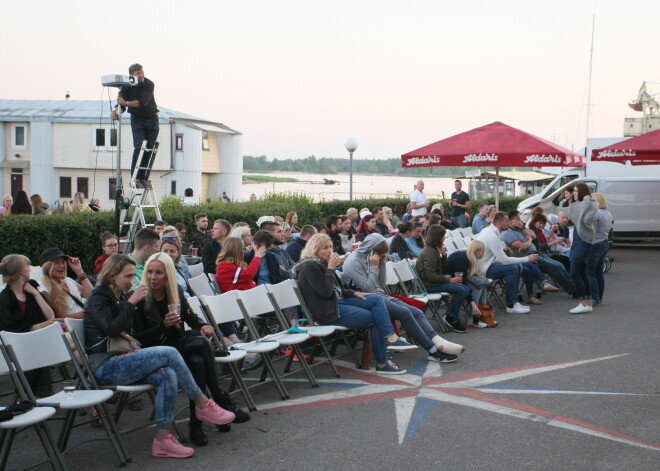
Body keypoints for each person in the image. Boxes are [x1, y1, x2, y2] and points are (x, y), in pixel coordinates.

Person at [83, 254, 235, 459]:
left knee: (167, 375)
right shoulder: (99, 296)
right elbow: (111, 329)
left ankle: (163, 440)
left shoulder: (117, 296)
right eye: (128, 276)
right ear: (112, 275)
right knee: (170, 353)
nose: (132, 280)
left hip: (123, 359)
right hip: (103, 365)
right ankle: (203, 404)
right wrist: (132, 302)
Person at [134, 253, 250, 446]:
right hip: (155, 351)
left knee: (197, 361)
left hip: (178, 344)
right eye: (150, 272)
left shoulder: (176, 291)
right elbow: (139, 339)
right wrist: (163, 325)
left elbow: (190, 317)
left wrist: (203, 325)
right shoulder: (141, 297)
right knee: (201, 344)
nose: (153, 277)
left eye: (159, 273)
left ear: (168, 275)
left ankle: (196, 424)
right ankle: (220, 399)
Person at [293, 234, 413, 375]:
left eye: (330, 247)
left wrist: (354, 293)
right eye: (325, 248)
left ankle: (392, 338)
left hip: (339, 303)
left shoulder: (320, 264)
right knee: (375, 318)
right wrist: (331, 268)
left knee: (377, 299)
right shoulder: (310, 267)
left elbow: (337, 289)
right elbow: (325, 292)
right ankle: (383, 363)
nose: (330, 250)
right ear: (314, 249)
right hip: (329, 311)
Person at [343, 233, 463, 360]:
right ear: (371, 249)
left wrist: (382, 264)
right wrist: (374, 267)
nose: (379, 257)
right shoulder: (354, 262)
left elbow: (381, 285)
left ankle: (437, 341)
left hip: (380, 296)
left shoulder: (371, 257)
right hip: (366, 299)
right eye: (379, 254)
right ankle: (433, 350)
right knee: (404, 312)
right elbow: (368, 288)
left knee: (416, 311)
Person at [0, 254, 58, 396]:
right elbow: (12, 330)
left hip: (39, 341)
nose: (30, 269)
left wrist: (36, 294)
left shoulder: (31, 289)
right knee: (69, 341)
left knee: (70, 341)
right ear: (21, 272)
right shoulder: (5, 299)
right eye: (27, 267)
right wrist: (42, 325)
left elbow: (50, 315)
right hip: (19, 347)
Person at [476, 211, 538, 314]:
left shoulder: (491, 231)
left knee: (517, 267)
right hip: (483, 270)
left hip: (487, 265)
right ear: (499, 223)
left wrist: (501, 248)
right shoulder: (492, 235)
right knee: (513, 268)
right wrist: (527, 258)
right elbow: (505, 261)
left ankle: (515, 302)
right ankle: (511, 305)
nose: (508, 223)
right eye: (506, 221)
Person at [111, 63, 159, 188]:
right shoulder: (127, 87)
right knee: (139, 147)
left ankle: (143, 177)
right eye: (138, 73)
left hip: (151, 118)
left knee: (149, 148)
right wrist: (116, 111)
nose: (141, 75)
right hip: (137, 120)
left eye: (142, 72)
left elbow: (141, 103)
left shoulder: (149, 84)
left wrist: (125, 102)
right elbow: (121, 105)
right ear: (132, 75)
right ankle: (135, 177)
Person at [416, 225, 470, 332]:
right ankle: (452, 319)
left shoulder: (433, 250)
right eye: (443, 236)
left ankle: (450, 314)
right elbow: (431, 276)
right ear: (438, 237)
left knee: (465, 289)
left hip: (433, 283)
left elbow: (443, 269)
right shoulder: (429, 252)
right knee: (461, 289)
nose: (445, 238)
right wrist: (449, 280)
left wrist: (444, 255)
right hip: (429, 286)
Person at [501, 211, 561, 304]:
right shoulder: (507, 233)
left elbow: (534, 236)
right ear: (512, 221)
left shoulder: (520, 229)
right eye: (518, 220)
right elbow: (524, 246)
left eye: (520, 220)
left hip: (531, 255)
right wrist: (528, 240)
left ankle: (532, 295)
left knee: (555, 264)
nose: (520, 222)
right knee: (535, 264)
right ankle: (543, 284)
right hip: (519, 258)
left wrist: (522, 227)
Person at [567, 183, 598, 314]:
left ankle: (583, 302)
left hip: (584, 240)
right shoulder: (580, 204)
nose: (573, 193)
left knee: (574, 272)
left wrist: (586, 203)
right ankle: (587, 303)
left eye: (575, 191)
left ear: (583, 192)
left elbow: (585, 221)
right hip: (578, 239)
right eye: (573, 191)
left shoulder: (591, 205)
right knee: (582, 272)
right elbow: (574, 217)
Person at [38, 248, 93, 319]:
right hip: (72, 328)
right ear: (47, 266)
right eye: (56, 262)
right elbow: (61, 317)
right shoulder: (44, 288)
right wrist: (88, 312)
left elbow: (92, 296)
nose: (61, 266)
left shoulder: (69, 281)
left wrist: (79, 271)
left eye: (63, 262)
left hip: (86, 322)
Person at [447, 240, 490, 327]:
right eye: (482, 252)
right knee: (477, 287)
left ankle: (482, 315)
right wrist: (472, 302)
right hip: (449, 281)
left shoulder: (466, 256)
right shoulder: (463, 258)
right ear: (476, 251)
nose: (483, 254)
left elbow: (464, 275)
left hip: (454, 279)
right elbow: (462, 281)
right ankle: (473, 318)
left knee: (482, 285)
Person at [586, 193, 613, 306]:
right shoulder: (607, 213)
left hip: (595, 243)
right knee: (598, 273)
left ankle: (594, 298)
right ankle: (599, 297)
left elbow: (591, 230)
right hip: (604, 242)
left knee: (590, 272)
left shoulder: (596, 214)